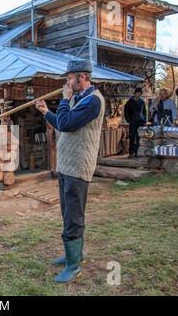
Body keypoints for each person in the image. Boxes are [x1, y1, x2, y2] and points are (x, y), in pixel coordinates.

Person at [35, 59, 105, 284]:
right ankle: (76, 254)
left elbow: (65, 123)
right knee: (68, 213)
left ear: (81, 77)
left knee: (74, 215)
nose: (66, 83)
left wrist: (64, 99)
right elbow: (63, 122)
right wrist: (47, 112)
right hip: (66, 165)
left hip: (78, 166)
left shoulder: (93, 101)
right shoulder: (78, 98)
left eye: (69, 78)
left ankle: (74, 266)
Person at [124, 88, 147, 158]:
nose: (139, 94)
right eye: (138, 93)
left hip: (140, 122)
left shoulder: (142, 102)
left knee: (139, 137)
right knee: (132, 136)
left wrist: (144, 120)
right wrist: (128, 120)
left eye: (140, 93)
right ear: (135, 93)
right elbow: (126, 112)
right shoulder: (130, 102)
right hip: (133, 121)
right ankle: (131, 152)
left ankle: (137, 152)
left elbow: (144, 112)